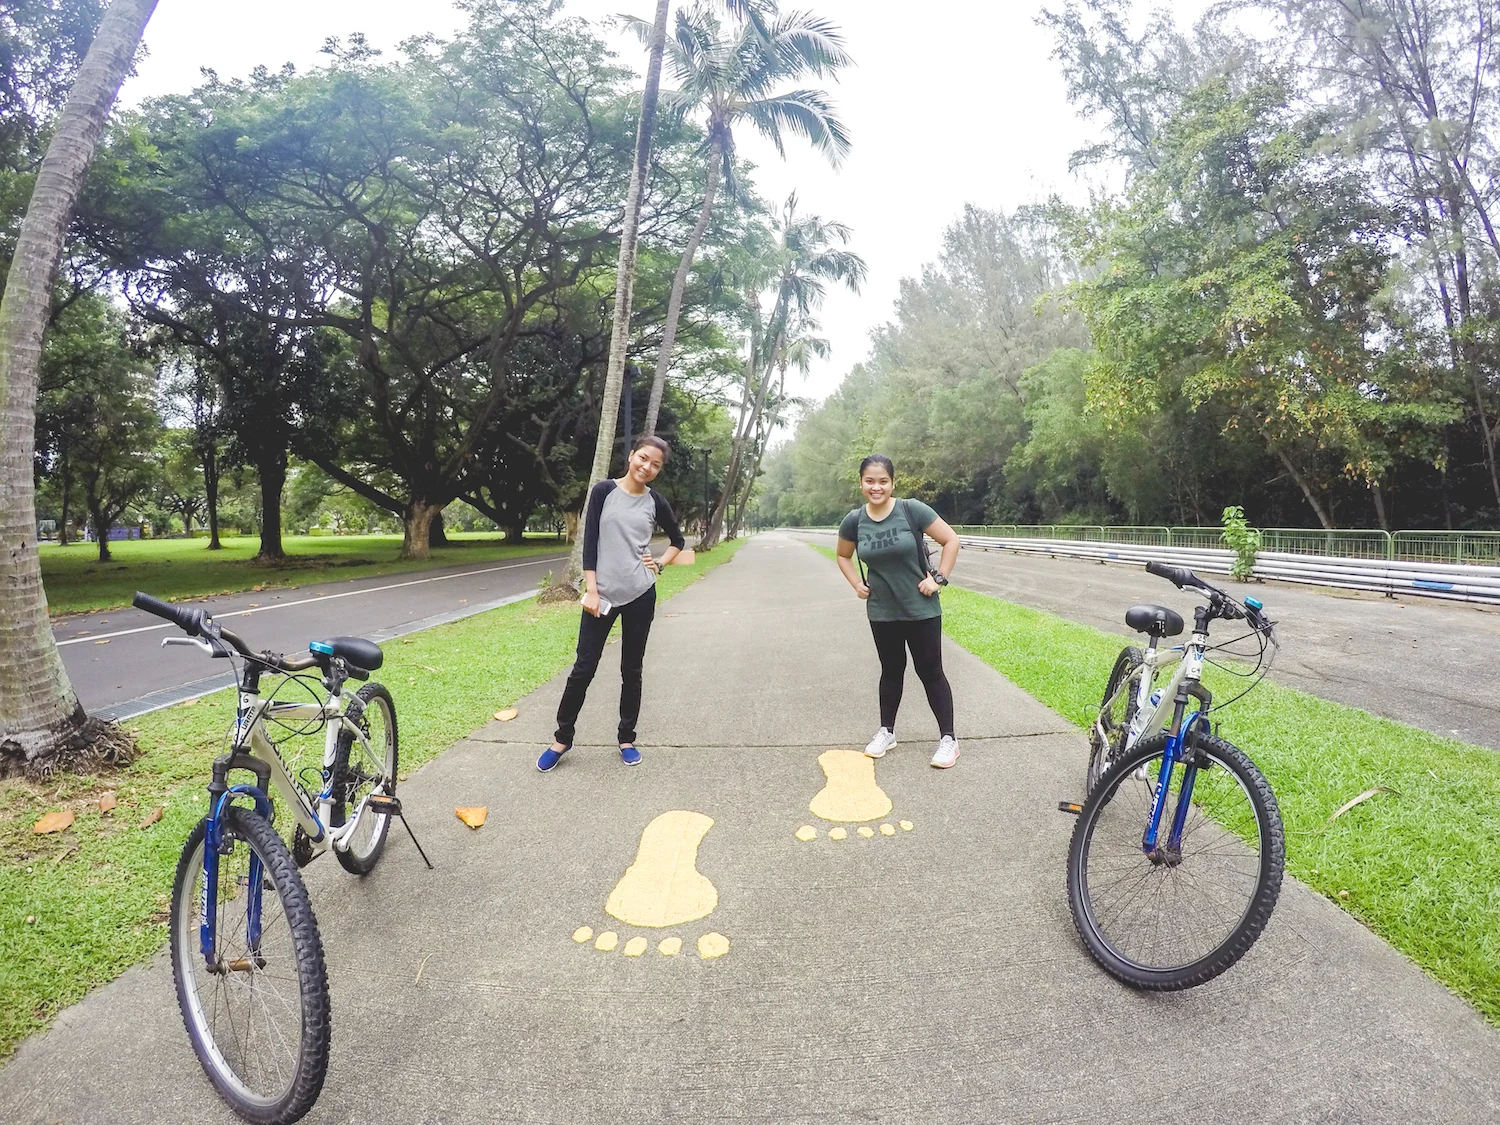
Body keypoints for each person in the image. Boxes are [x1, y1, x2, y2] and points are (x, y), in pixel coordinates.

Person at [538, 436, 686, 771]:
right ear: (632, 455)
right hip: (600, 596)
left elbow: (678, 540)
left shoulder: (655, 502)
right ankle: (562, 738)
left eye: (655, 465)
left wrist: (660, 564)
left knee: (631, 670)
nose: (647, 467)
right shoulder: (604, 491)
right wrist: (591, 589)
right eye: (643, 458)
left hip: (640, 595)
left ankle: (626, 738)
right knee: (582, 669)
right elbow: (590, 542)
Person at [835, 454, 963, 768]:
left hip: (921, 609)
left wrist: (939, 579)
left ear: (893, 483)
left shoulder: (911, 510)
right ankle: (887, 732)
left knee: (930, 672)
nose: (876, 487)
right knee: (891, 672)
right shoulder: (854, 520)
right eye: (869, 481)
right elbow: (842, 555)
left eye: (883, 481)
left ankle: (949, 739)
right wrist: (856, 584)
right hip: (882, 610)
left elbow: (951, 540)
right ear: (861, 483)